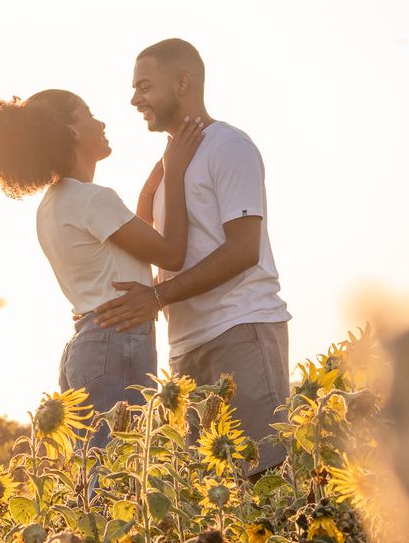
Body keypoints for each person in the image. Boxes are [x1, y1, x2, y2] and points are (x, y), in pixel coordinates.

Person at [0, 89, 204, 463]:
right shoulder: (92, 199)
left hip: (89, 344)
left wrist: (160, 171)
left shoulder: (55, 203)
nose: (101, 122)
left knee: (98, 471)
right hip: (117, 342)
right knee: (118, 474)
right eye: (89, 114)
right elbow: (171, 251)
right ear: (72, 132)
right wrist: (174, 172)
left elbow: (133, 242)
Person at [94, 39, 291, 478]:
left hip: (240, 330)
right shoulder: (173, 161)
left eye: (144, 86)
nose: (134, 99)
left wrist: (158, 296)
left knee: (265, 482)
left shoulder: (228, 146)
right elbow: (150, 236)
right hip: (186, 347)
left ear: (183, 83)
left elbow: (244, 249)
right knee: (209, 499)